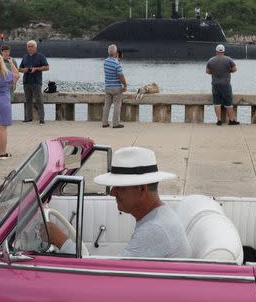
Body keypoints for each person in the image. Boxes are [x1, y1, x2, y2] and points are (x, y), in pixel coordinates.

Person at [47, 146, 192, 259]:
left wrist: (62, 241)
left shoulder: (154, 229)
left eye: (120, 188)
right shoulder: (159, 216)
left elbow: (105, 279)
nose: (112, 193)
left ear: (142, 189)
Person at [206, 44, 238, 125]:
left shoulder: (211, 60)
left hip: (215, 85)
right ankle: (231, 120)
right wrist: (227, 71)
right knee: (229, 104)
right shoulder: (229, 59)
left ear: (216, 51)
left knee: (217, 103)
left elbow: (207, 71)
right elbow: (234, 69)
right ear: (223, 51)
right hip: (226, 85)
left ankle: (219, 120)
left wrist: (215, 72)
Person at [18, 40, 49, 124]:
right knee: (28, 100)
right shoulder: (25, 57)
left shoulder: (40, 56)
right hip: (26, 81)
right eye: (28, 46)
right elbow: (20, 69)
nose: (30, 48)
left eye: (32, 46)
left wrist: (36, 69)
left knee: (39, 100)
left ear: (35, 47)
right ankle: (28, 118)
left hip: (36, 81)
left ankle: (42, 119)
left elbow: (47, 67)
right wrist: (24, 70)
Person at [102, 44, 127, 128]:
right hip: (116, 88)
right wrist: (125, 85)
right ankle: (115, 123)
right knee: (117, 105)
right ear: (116, 52)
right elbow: (121, 76)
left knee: (107, 105)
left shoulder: (105, 62)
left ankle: (104, 123)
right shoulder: (117, 64)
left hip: (107, 87)